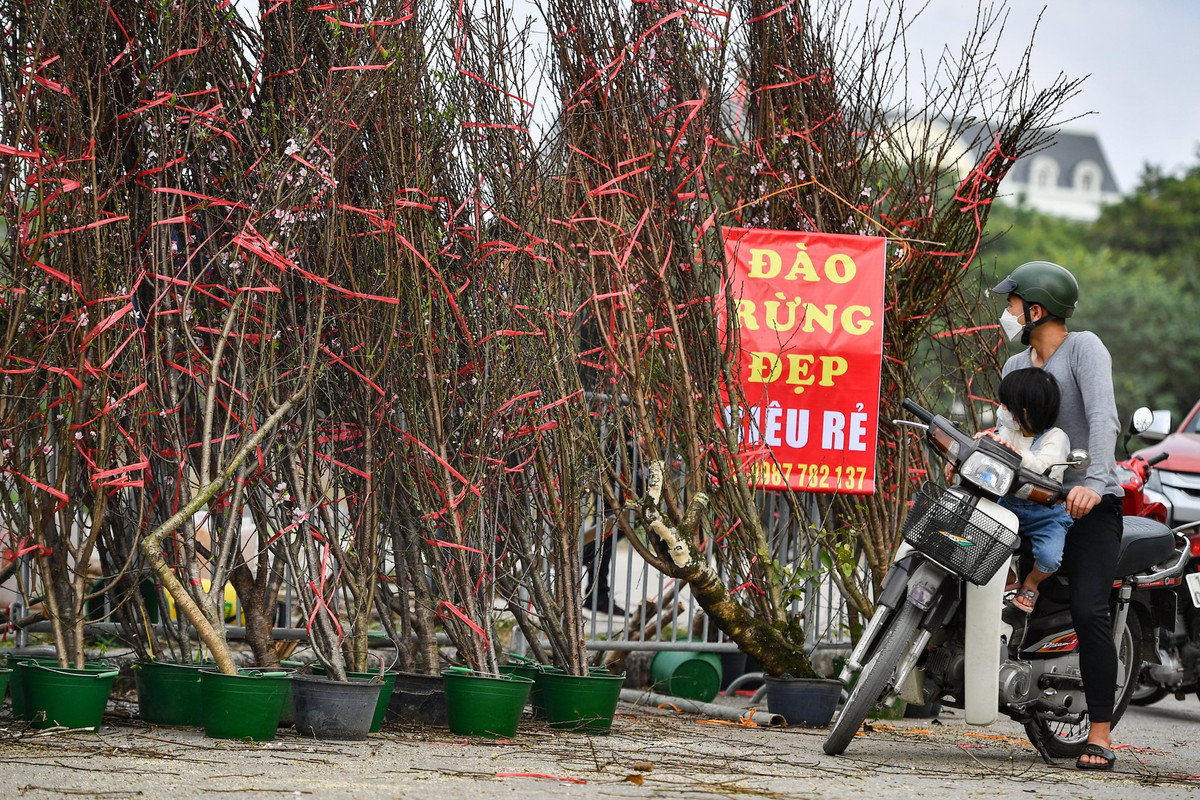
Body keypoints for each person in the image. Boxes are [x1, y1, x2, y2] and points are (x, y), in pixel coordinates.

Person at [991, 261, 1123, 771]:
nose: (1007, 312)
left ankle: (1101, 733)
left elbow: (1103, 418)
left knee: (1091, 611)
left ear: (1036, 309)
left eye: (1012, 303)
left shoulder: (1084, 350)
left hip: (1088, 507)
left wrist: (1092, 485)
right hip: (1028, 498)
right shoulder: (1013, 367)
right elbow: (1009, 431)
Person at [985, 368, 1073, 614]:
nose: (1001, 409)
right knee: (979, 529)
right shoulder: (1009, 431)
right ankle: (1009, 575)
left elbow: (1042, 468)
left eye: (1006, 404)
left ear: (1024, 411)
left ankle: (1032, 582)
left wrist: (1008, 449)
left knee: (1050, 556)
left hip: (1046, 514)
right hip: (1008, 503)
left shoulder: (1056, 438)